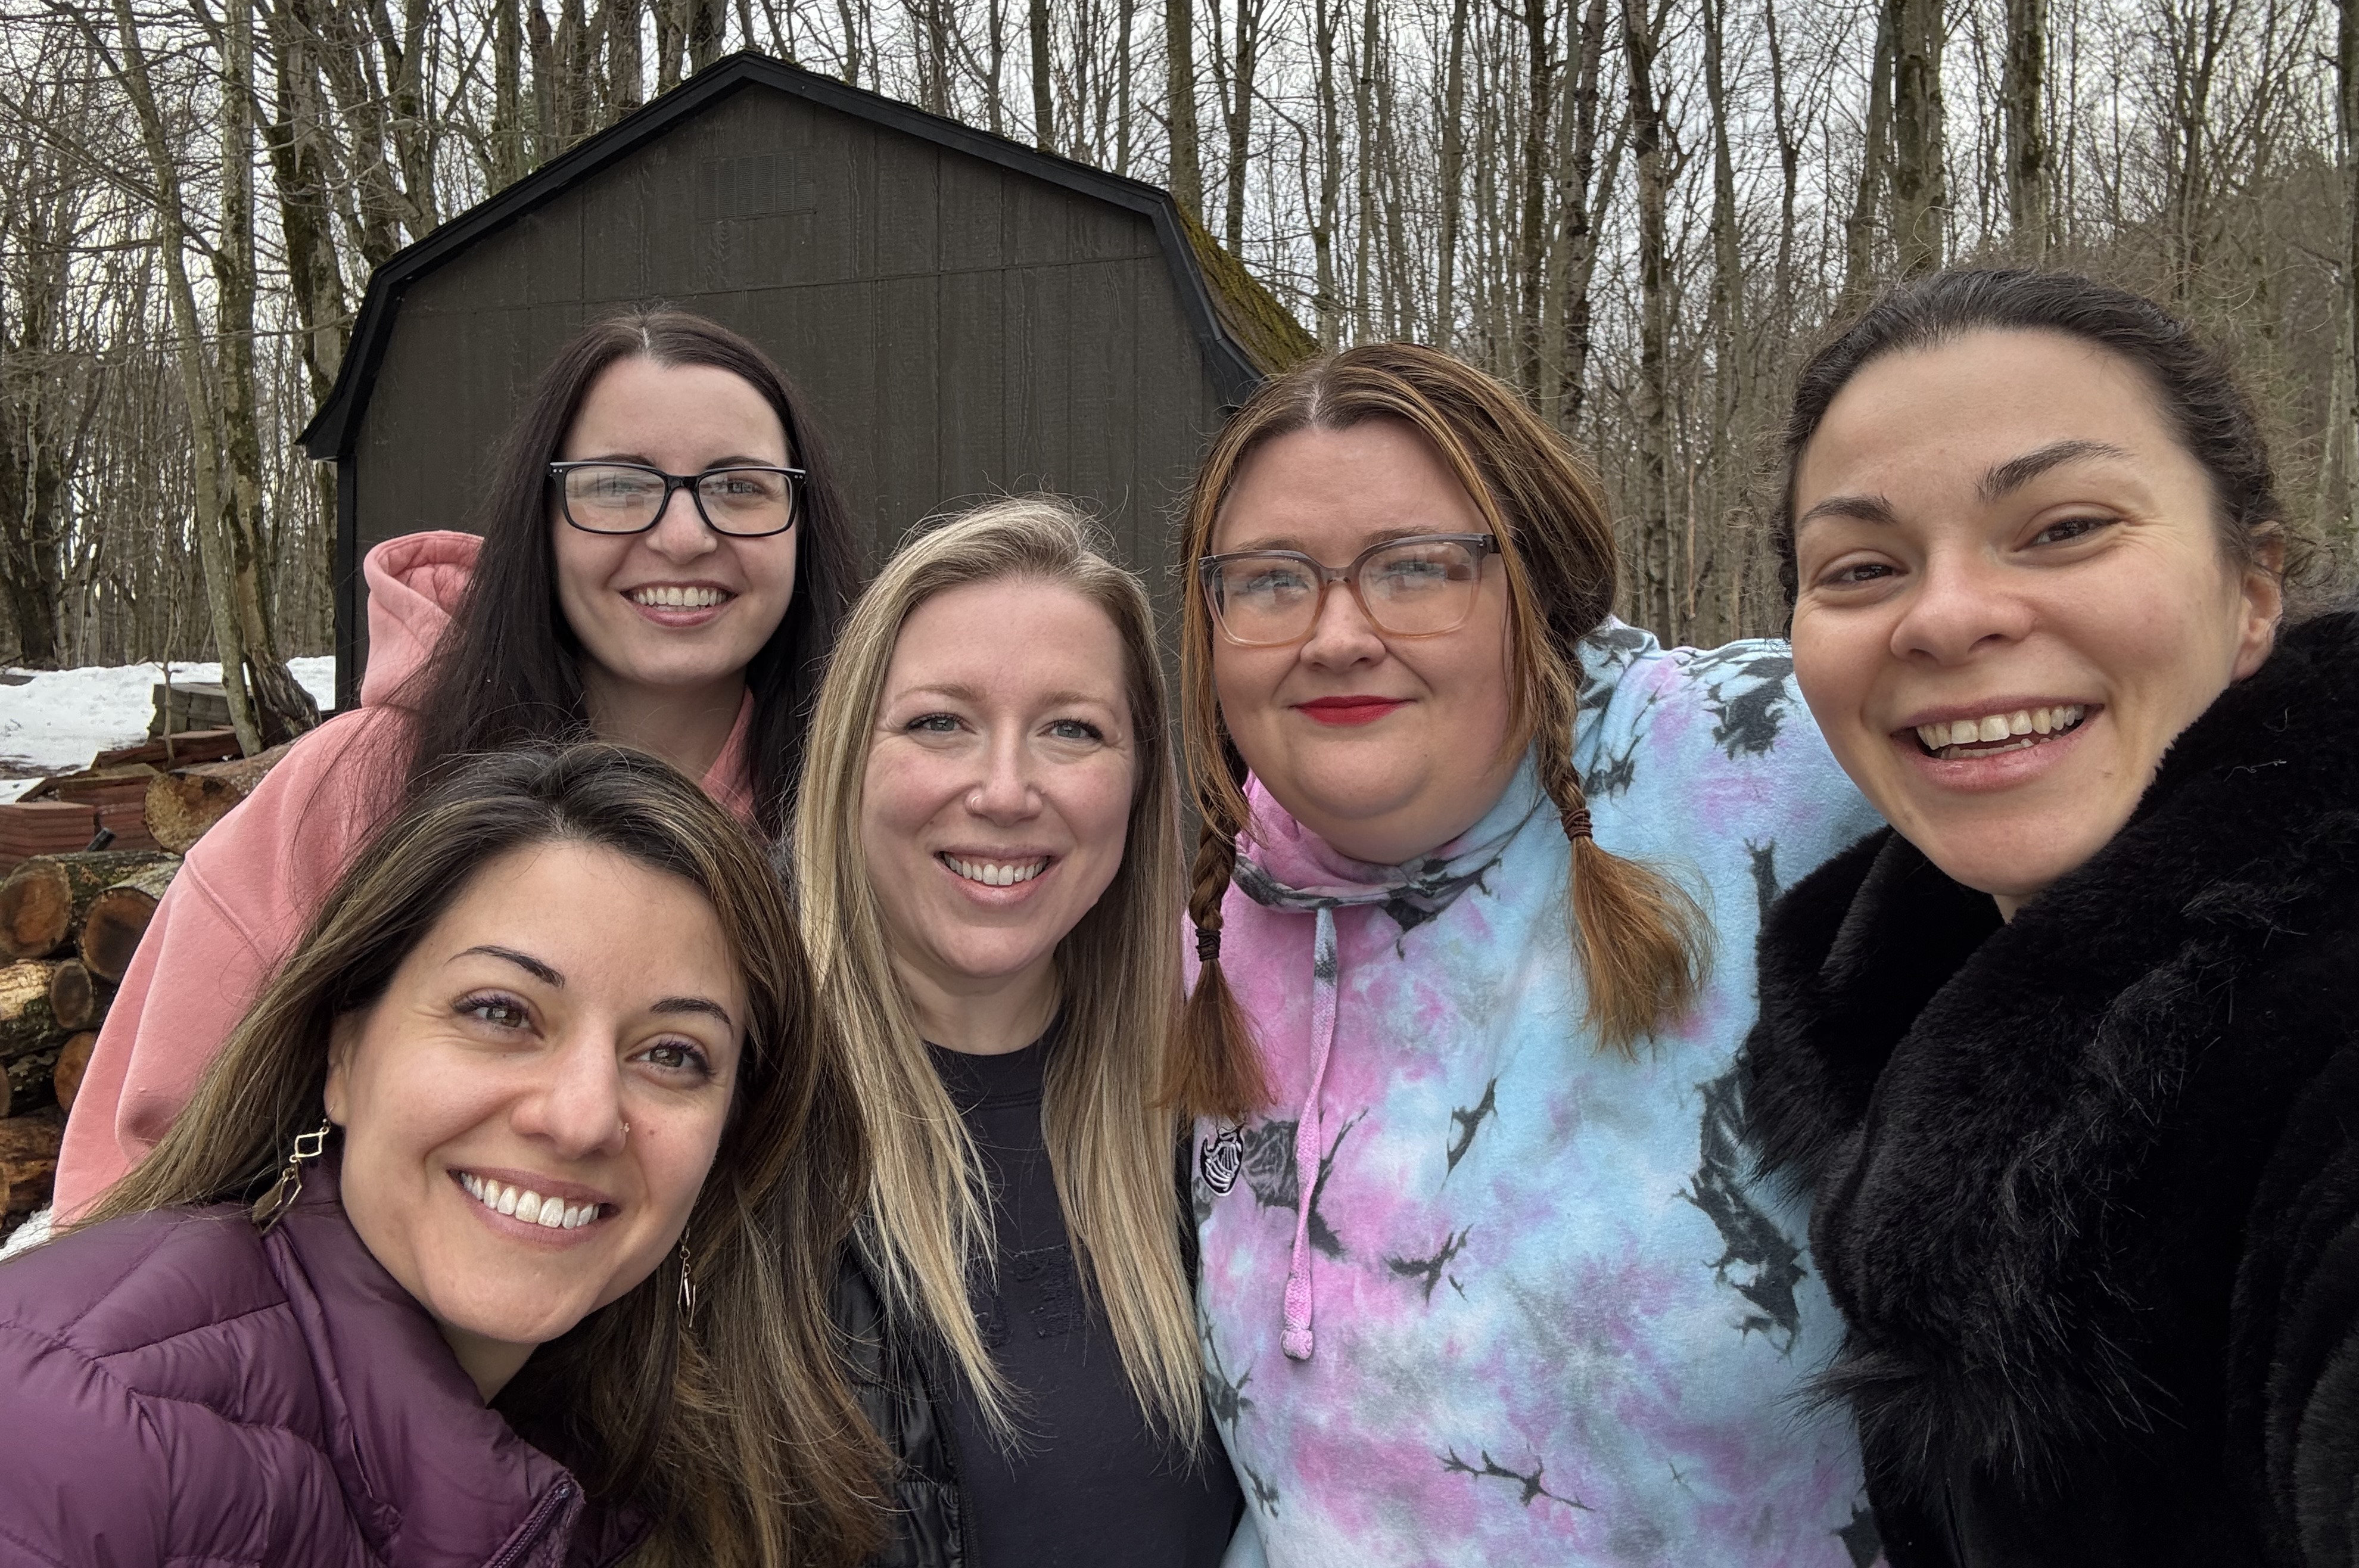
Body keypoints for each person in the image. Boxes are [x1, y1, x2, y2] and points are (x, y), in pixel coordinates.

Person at [1169, 344, 1885, 1565]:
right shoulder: (1204, 916)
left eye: (1415, 569)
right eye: (1271, 582)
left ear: (1536, 583)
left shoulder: (1766, 766)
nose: (1338, 634)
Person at [1740, 267, 2359, 1566]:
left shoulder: (2357, 1009)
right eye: (1863, 565)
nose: (1948, 616)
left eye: (2063, 528)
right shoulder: (1903, 991)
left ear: (2252, 587)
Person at [0, 741, 885, 1567]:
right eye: (500, 1012)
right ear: (342, 1054)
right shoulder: (62, 1434)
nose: (581, 1119)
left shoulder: (674, 1467)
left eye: (673, 1055)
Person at [57, 310, 863, 1216]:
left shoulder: (870, 810)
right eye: (616, 486)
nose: (682, 536)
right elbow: (139, 1171)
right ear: (541, 516)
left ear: (803, 520)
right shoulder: (359, 786)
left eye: (741, 487)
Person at [796, 497, 1244, 1567]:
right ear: (848, 759)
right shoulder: (734, 1135)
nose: (1004, 792)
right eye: (940, 722)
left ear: (1139, 789)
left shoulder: (1222, 1131)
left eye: (1073, 730)